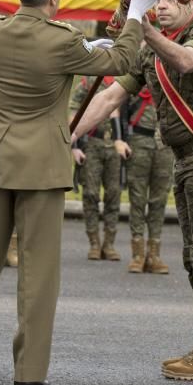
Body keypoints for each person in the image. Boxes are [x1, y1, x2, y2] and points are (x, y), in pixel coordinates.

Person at [0, 0, 152, 385]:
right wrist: (135, 15)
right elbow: (120, 60)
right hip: (39, 163)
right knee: (38, 275)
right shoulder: (64, 40)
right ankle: (29, 373)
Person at [75, 0, 193, 382]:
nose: (161, 6)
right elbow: (111, 96)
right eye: (156, 0)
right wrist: (65, 136)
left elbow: (187, 60)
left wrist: (144, 30)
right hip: (185, 159)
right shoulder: (151, 52)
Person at [115, 80, 174, 274]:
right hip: (138, 144)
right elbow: (118, 109)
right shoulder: (136, 83)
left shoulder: (172, 85)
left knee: (159, 201)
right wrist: (119, 139)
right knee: (137, 200)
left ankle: (154, 255)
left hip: (165, 147)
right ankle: (138, 255)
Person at [71, 76, 123, 261]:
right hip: (92, 144)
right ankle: (94, 243)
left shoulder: (122, 81)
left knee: (113, 195)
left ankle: (109, 244)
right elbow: (73, 113)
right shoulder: (88, 83)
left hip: (114, 146)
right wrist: (74, 147)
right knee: (91, 194)